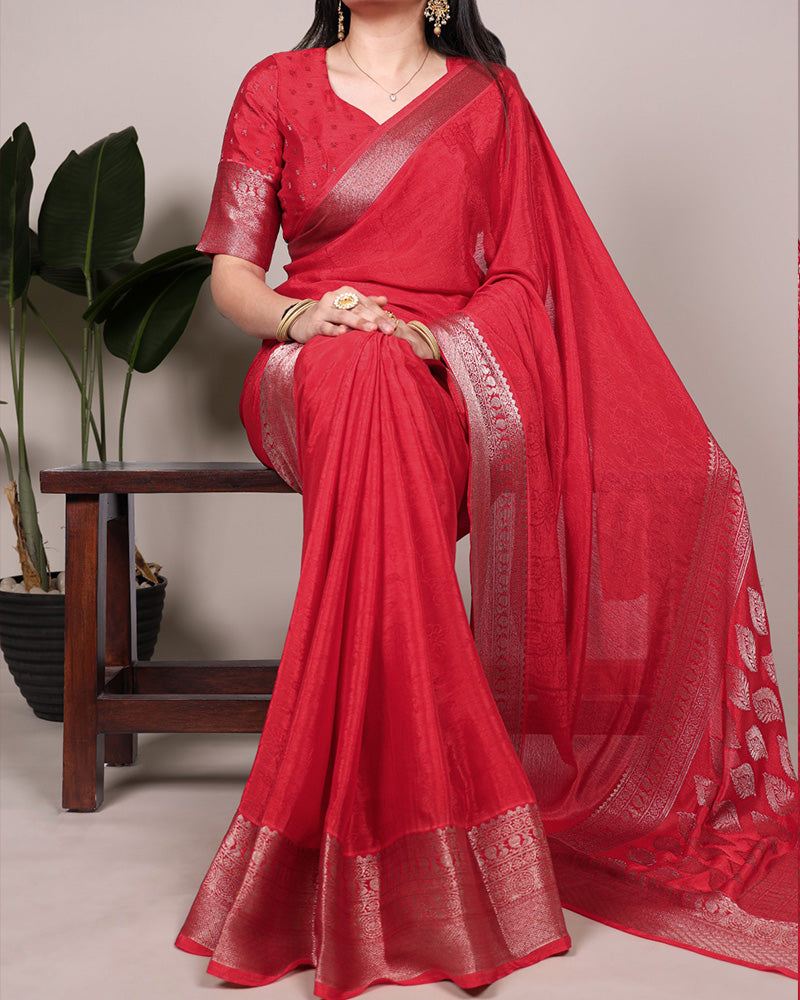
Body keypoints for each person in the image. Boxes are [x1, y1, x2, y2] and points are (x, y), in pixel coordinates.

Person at [174, 2, 799, 995]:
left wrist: (434, 340)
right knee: (362, 374)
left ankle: (328, 857)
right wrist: (307, 317)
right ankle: (452, 858)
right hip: (307, 367)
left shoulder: (489, 101)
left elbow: (518, 275)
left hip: (443, 377)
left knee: (386, 382)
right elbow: (232, 276)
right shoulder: (274, 87)